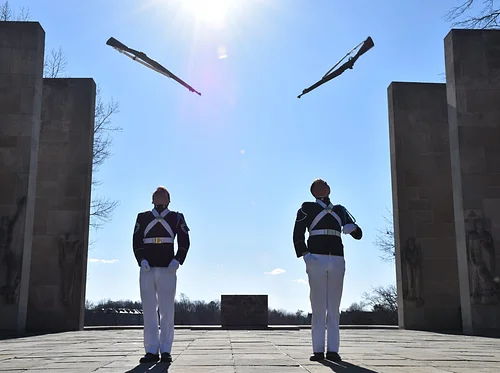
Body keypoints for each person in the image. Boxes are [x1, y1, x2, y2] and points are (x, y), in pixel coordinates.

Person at [293, 178, 362, 362]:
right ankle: (317, 350)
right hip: (316, 258)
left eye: (323, 184)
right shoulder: (307, 208)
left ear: (329, 189)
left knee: (334, 307)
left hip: (337, 258)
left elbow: (358, 235)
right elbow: (298, 232)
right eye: (317, 185)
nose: (321, 186)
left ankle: (333, 350)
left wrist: (353, 228)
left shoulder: (340, 210)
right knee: (318, 306)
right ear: (312, 191)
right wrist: (305, 254)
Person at [132, 186, 191, 364]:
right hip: (147, 268)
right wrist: (141, 259)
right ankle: (151, 350)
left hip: (168, 268)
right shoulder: (143, 217)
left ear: (169, 200)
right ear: (152, 199)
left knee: (166, 311)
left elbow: (184, 241)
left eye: (163, 195)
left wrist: (178, 260)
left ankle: (166, 350)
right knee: (149, 311)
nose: (159, 198)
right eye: (156, 195)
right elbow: (136, 240)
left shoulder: (176, 217)